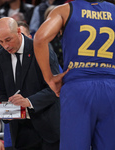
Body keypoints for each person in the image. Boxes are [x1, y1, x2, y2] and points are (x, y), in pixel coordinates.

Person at [33, 0, 115, 150]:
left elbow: (39, 39)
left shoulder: (65, 10)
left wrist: (49, 78)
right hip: (111, 87)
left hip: (78, 88)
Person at [0, 17, 60, 150]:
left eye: (8, 39)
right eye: (0, 42)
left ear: (19, 31)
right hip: (20, 132)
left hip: (47, 129)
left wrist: (28, 102)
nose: (5, 46)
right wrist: (7, 112)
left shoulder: (40, 48)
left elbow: (55, 88)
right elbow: (0, 92)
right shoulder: (0, 56)